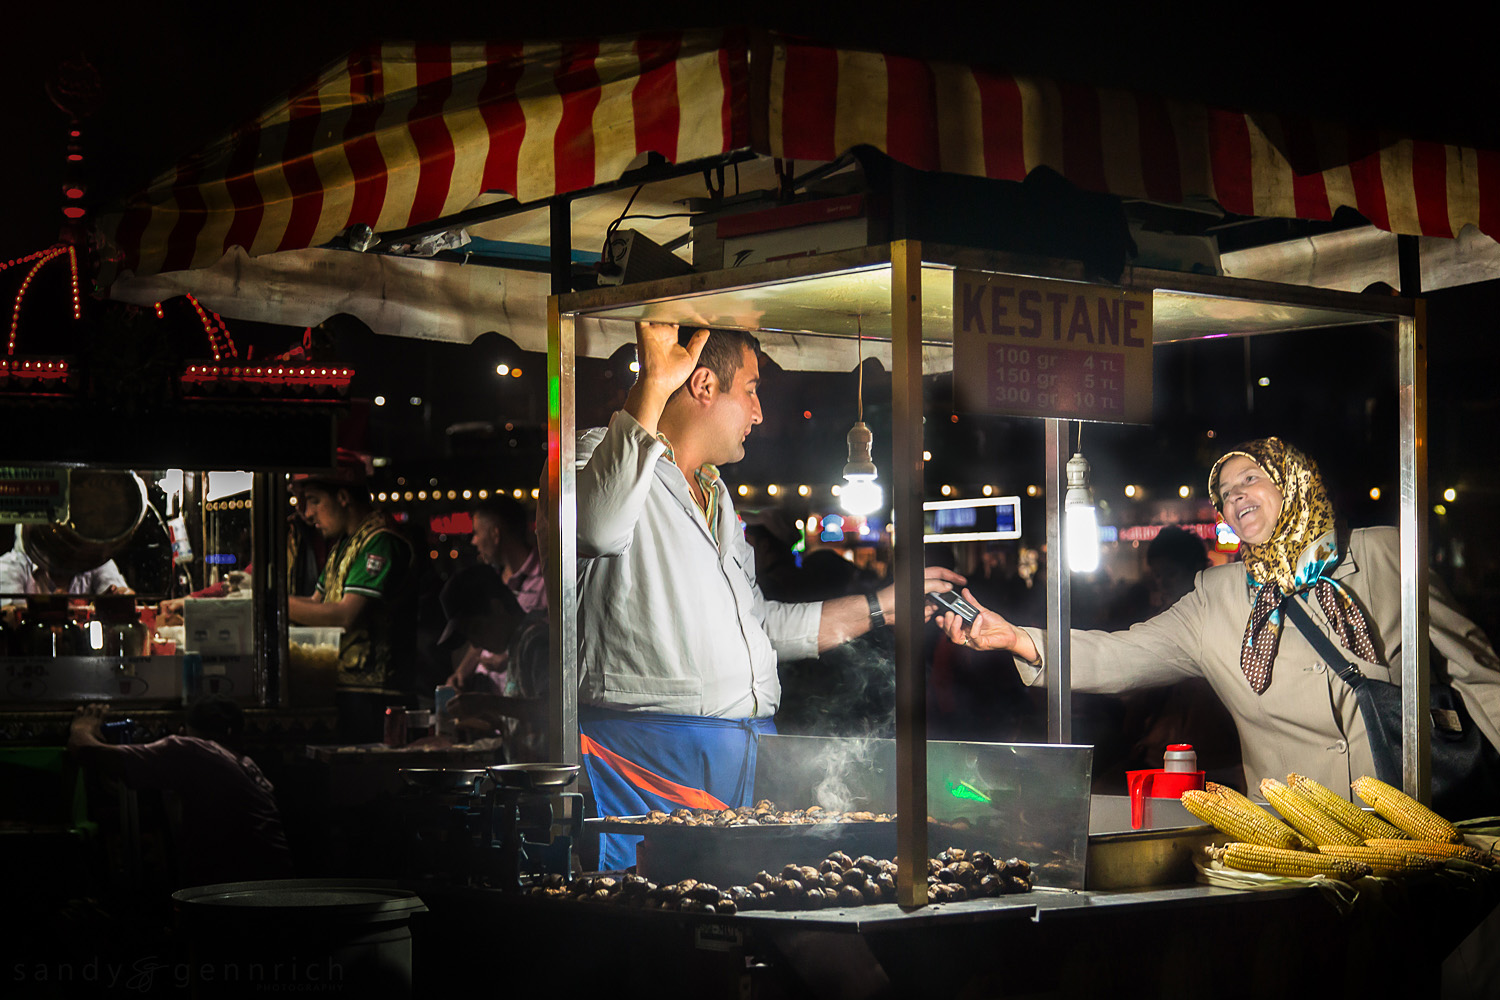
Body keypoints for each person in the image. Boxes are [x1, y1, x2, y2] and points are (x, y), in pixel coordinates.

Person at [576, 321, 962, 869]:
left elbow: (756, 625)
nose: (758, 414)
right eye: (752, 390)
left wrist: (883, 606)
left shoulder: (714, 491)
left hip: (744, 751)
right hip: (643, 755)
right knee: (656, 917)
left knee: (736, 915)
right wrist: (654, 386)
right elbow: (594, 528)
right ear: (704, 386)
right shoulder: (595, 456)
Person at [937, 437, 1500, 803]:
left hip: (1425, 828)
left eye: (1250, 479)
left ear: (1295, 481)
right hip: (1297, 845)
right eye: (1224, 493)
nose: (1235, 497)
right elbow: (1119, 655)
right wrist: (1018, 639)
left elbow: (1478, 673)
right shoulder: (1217, 597)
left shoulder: (1385, 555)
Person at [68, 696, 293, 887]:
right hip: (273, 891)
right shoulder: (247, 764)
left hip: (232, 899)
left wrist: (83, 726)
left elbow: (85, 750)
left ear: (184, 731)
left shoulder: (190, 750)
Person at [288, 452, 416, 743]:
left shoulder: (382, 541)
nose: (307, 514)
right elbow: (316, 603)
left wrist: (275, 606)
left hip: (378, 699)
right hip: (347, 692)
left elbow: (346, 616)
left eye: (314, 500)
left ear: (343, 496)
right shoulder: (345, 543)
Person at [0, 524, 132, 622]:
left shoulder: (96, 560)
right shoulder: (8, 566)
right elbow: (12, 620)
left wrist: (121, 597)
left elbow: (123, 599)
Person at [470, 496, 546, 613]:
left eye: (476, 533)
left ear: (495, 534)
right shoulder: (491, 581)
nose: (474, 541)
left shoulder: (548, 577)